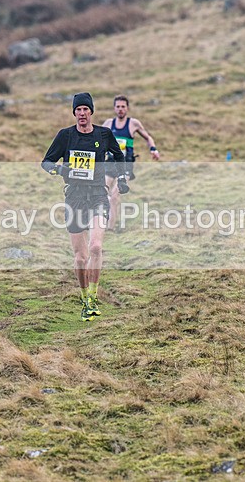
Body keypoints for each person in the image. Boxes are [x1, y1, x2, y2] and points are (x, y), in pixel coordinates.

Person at [41, 92, 129, 321]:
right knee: (80, 258)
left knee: (96, 247)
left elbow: (119, 157)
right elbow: (46, 162)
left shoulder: (104, 134)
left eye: (85, 109)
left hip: (98, 196)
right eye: (77, 110)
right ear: (74, 113)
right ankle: (82, 295)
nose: (81, 113)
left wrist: (121, 179)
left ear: (91, 112)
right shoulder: (65, 136)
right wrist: (61, 170)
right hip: (74, 198)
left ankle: (92, 296)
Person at [102, 95, 161, 231]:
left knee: (116, 193)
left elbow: (148, 137)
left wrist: (153, 149)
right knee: (103, 192)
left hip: (126, 165)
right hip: (110, 163)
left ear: (127, 108)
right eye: (118, 107)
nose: (120, 109)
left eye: (123, 107)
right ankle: (101, 221)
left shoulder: (133, 123)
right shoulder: (108, 124)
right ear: (114, 108)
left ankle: (110, 228)